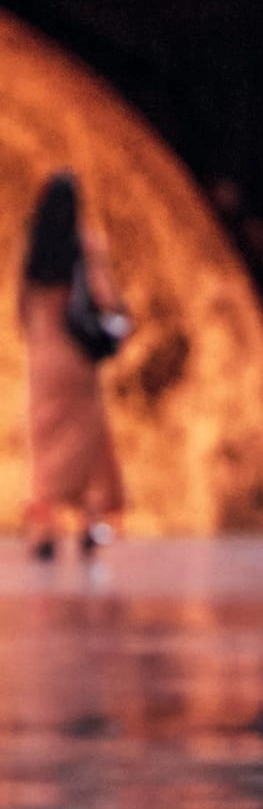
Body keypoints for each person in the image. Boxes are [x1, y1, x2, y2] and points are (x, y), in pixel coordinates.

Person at [19, 171, 128, 558]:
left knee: (47, 442)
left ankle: (45, 525)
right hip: (76, 358)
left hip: (43, 357)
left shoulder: (34, 247)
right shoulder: (84, 245)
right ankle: (90, 521)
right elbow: (105, 296)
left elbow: (23, 307)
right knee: (86, 443)